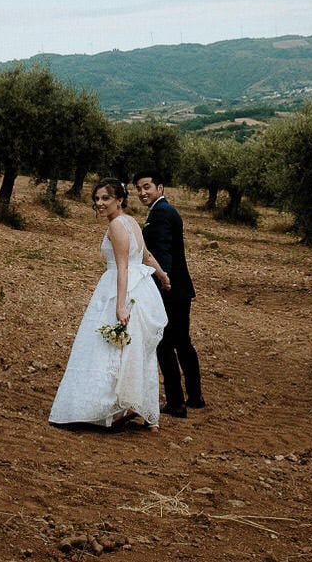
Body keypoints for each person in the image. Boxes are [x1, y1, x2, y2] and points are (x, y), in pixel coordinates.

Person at [49, 178, 170, 430]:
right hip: (141, 288)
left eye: (105, 198)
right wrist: (162, 275)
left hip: (122, 289)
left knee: (107, 348)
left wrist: (121, 305)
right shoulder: (132, 222)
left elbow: (124, 265)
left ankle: (106, 408)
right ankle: (132, 405)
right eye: (96, 199)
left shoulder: (117, 225)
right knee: (130, 350)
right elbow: (146, 256)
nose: (100, 203)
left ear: (120, 200)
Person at [135, 172, 204, 417]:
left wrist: (161, 280)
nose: (142, 192)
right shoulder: (164, 210)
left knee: (164, 343)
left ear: (160, 187)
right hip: (181, 289)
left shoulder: (162, 213)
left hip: (170, 289)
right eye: (139, 189)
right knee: (182, 342)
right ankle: (195, 396)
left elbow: (163, 250)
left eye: (147, 187)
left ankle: (176, 402)